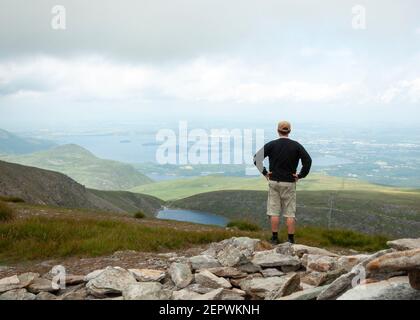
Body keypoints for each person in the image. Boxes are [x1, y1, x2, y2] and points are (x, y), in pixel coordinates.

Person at [253, 121, 312, 245]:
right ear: (289, 131)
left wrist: (265, 172)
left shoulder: (271, 145)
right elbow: (308, 161)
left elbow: (256, 158)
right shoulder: (296, 146)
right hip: (289, 183)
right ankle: (290, 240)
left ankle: (274, 238)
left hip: (274, 181)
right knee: (290, 212)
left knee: (274, 211)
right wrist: (300, 175)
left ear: (277, 130)